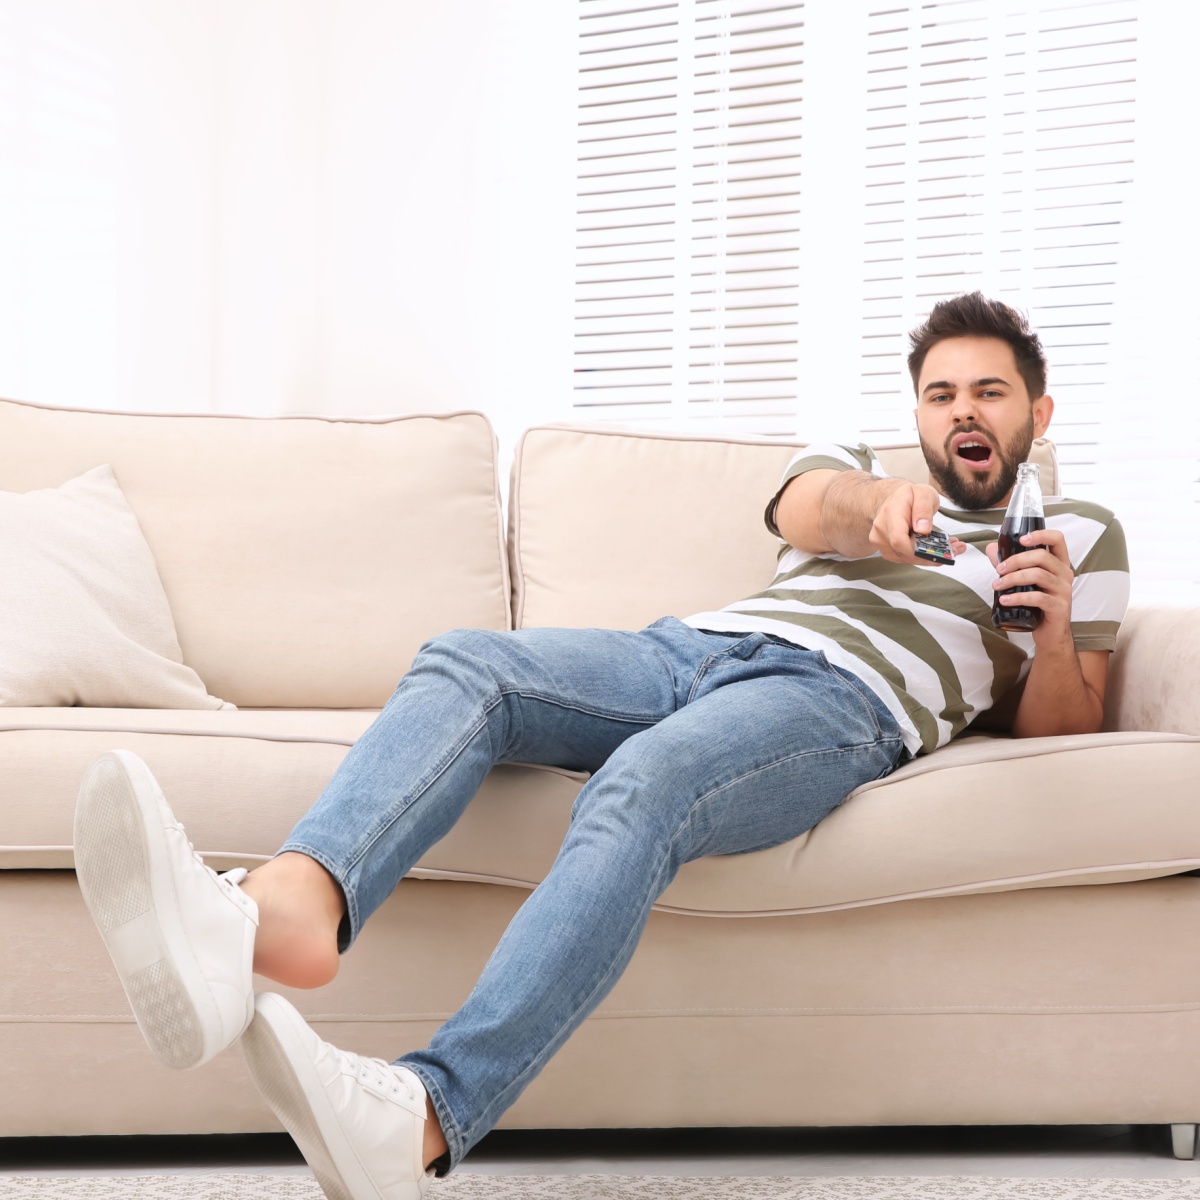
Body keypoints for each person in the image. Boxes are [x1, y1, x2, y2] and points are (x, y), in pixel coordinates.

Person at [73, 292, 1129, 1200]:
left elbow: (1068, 734)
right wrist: (872, 511)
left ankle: (423, 1118)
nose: (963, 412)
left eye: (989, 392)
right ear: (919, 416)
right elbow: (811, 505)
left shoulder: (1078, 532)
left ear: (1036, 412)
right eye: (941, 395)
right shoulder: (864, 478)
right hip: (691, 649)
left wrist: (1042, 634)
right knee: (469, 662)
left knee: (644, 784)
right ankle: (286, 911)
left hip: (840, 703)